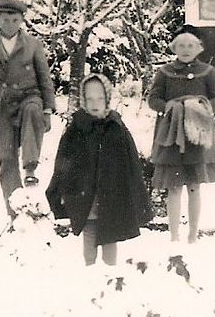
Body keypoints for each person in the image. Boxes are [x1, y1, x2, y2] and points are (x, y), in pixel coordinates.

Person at [46, 73, 151, 266]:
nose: (95, 104)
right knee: (90, 232)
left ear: (108, 99)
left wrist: (136, 193)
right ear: (84, 100)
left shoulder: (116, 127)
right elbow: (64, 160)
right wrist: (60, 187)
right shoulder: (77, 128)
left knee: (110, 235)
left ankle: (110, 273)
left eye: (100, 99)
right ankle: (90, 269)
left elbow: (131, 164)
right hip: (86, 193)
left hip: (111, 195)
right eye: (90, 99)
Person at [0, 0, 55, 216]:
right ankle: (16, 213)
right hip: (2, 107)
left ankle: (30, 166)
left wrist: (47, 110)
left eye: (15, 20)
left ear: (21, 21)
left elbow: (45, 78)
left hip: (30, 96)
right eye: (5, 19)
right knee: (7, 160)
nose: (10, 24)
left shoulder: (33, 45)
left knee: (33, 110)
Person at [147, 25, 215, 243]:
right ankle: (174, 236)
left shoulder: (208, 73)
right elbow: (153, 99)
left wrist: (202, 107)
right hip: (171, 136)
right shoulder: (164, 73)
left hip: (197, 136)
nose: (186, 49)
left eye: (190, 45)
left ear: (199, 48)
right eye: (181, 45)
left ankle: (192, 234)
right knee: (174, 187)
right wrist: (170, 107)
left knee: (194, 186)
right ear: (174, 48)